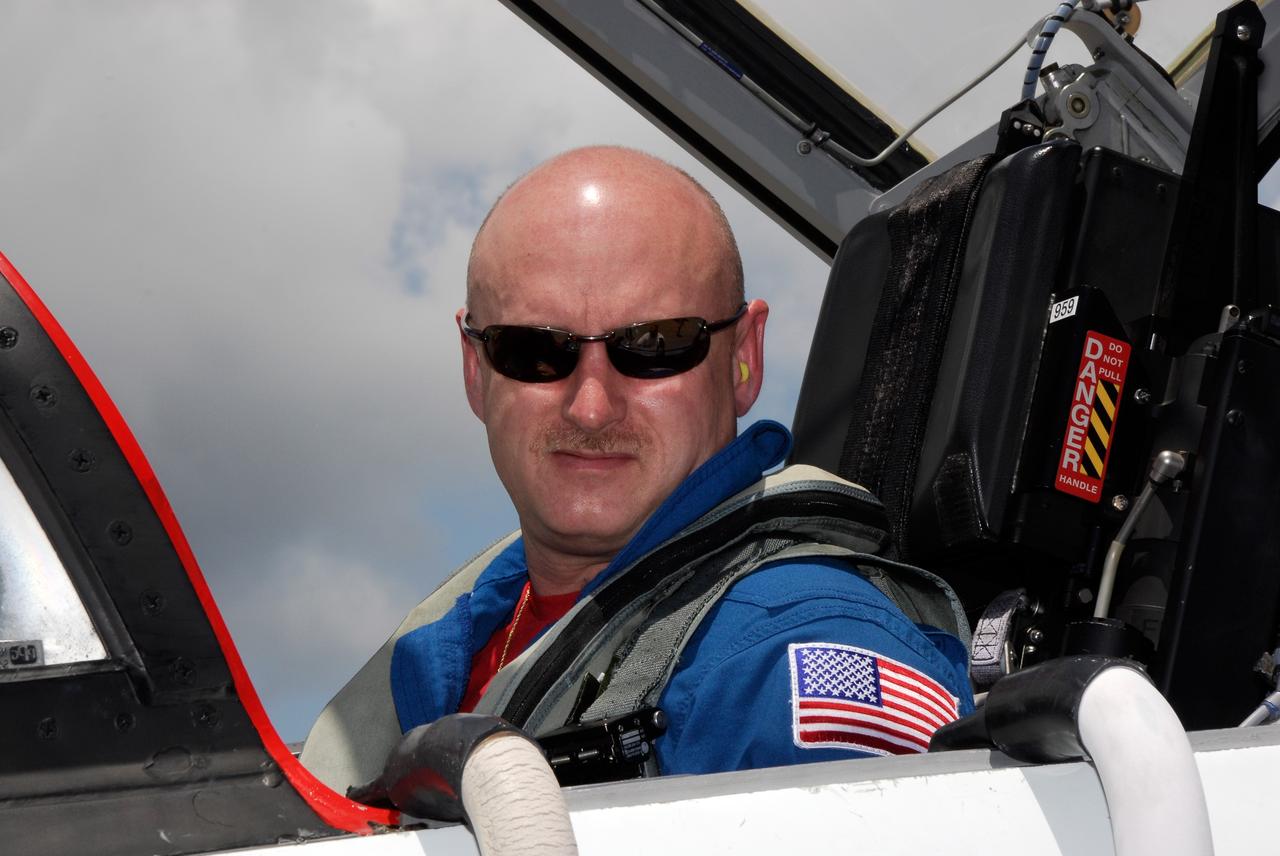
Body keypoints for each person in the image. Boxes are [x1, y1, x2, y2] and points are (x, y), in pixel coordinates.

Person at [301, 146, 973, 791]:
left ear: (744, 359)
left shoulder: (788, 657)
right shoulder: (453, 645)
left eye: (654, 345)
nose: (591, 407)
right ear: (476, 370)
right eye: (535, 350)